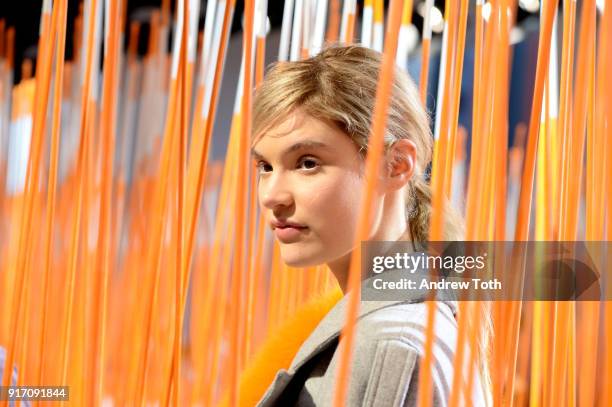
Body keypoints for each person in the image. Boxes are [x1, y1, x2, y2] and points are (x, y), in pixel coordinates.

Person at [250, 45, 491, 406]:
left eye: (307, 162)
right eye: (265, 167)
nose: (272, 195)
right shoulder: (398, 324)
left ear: (396, 165)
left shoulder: (390, 348)